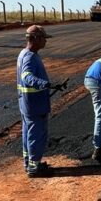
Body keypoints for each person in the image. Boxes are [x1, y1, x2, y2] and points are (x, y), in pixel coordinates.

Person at [17, 25, 62, 178]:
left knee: (28, 134)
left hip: (27, 103)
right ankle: (34, 168)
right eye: (44, 38)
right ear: (35, 38)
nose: (45, 41)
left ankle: (29, 163)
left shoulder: (24, 54)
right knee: (37, 134)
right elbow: (26, 77)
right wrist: (45, 84)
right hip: (35, 105)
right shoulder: (30, 57)